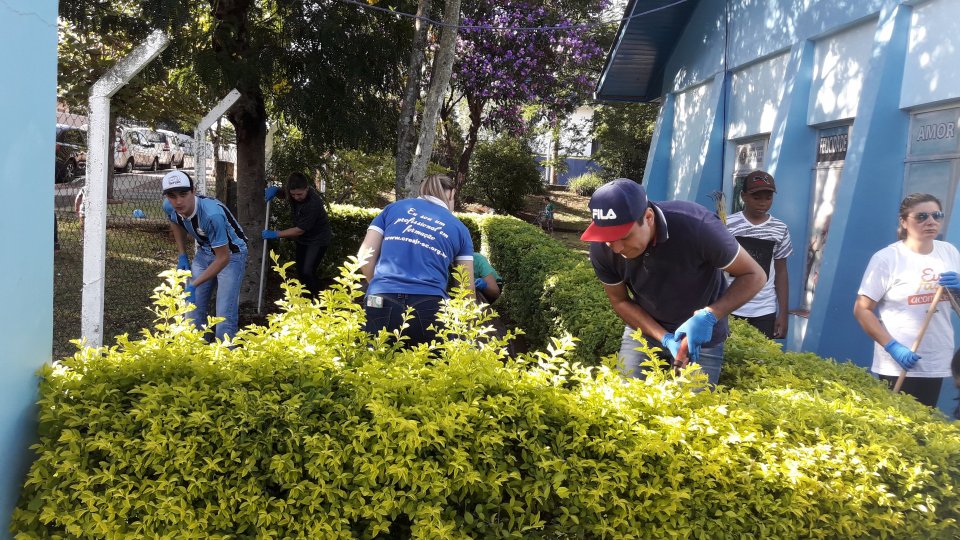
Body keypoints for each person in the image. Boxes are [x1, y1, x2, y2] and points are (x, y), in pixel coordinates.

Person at [581, 178, 765, 385]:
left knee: (693, 411)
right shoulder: (601, 248)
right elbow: (620, 301)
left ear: (648, 217)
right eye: (608, 238)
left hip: (700, 338)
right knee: (626, 406)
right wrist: (665, 338)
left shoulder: (698, 226)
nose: (616, 248)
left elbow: (754, 275)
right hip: (645, 330)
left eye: (624, 236)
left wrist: (710, 315)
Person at [853, 193, 960, 407]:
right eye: (921, 216)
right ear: (904, 221)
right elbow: (862, 310)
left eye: (936, 215)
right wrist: (892, 347)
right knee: (897, 426)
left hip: (936, 357)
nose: (931, 221)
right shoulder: (887, 258)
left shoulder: (948, 252)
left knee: (923, 428)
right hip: (898, 362)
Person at [357, 174, 475, 346]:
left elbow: (364, 256)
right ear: (451, 194)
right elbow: (466, 288)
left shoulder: (393, 209)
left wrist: (378, 284)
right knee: (430, 367)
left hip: (379, 298)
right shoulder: (460, 228)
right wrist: (467, 325)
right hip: (430, 303)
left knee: (373, 362)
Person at [161, 170, 248, 341]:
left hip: (232, 254)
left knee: (224, 316)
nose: (178, 201)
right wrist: (182, 254)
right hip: (205, 252)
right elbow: (174, 220)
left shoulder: (211, 214)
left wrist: (194, 284)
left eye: (183, 194)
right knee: (192, 312)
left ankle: (225, 359)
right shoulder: (169, 205)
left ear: (194, 192)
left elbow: (223, 258)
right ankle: (197, 356)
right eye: (172, 195)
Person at [725, 170, 793, 339]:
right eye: (756, 198)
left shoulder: (780, 228)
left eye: (768, 198)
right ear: (743, 196)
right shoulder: (728, 224)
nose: (763, 203)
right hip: (729, 306)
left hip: (764, 309)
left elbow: (781, 271)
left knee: (761, 361)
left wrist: (783, 314)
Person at [261, 172, 332, 297]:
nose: (296, 197)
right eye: (293, 194)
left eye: (299, 194)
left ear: (307, 188)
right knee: (301, 272)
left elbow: (300, 229)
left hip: (318, 239)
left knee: (307, 271)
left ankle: (321, 299)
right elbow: (284, 194)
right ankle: (306, 300)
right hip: (303, 239)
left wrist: (276, 234)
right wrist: (276, 191)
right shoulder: (292, 194)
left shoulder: (313, 203)